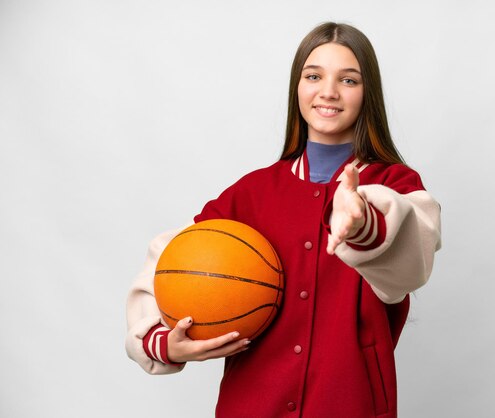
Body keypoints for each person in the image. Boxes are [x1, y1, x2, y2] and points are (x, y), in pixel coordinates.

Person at [126, 22, 441, 418]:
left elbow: (414, 255)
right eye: (314, 76)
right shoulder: (251, 194)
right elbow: (172, 259)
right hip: (250, 406)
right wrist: (161, 342)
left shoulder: (393, 183)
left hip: (350, 405)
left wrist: (363, 223)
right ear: (298, 87)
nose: (328, 91)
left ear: (368, 94)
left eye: (348, 79)